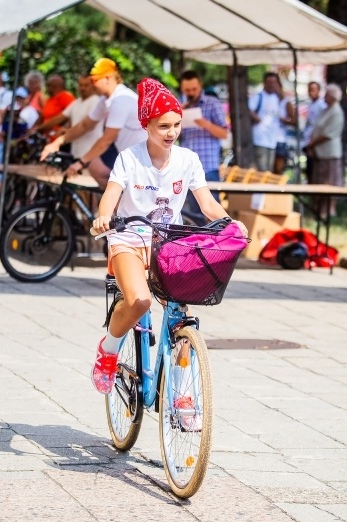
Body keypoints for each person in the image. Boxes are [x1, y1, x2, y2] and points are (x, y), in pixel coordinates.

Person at [89, 78, 248, 395]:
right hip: (128, 241)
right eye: (163, 126)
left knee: (181, 318)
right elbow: (110, 195)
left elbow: (207, 204)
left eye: (176, 124)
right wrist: (103, 217)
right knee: (139, 300)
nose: (171, 132)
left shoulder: (188, 160)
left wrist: (231, 222)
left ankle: (182, 393)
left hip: (167, 244)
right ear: (145, 124)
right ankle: (107, 350)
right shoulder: (130, 158)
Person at [40, 58, 147, 187]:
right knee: (96, 168)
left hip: (142, 155)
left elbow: (107, 139)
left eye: (94, 80)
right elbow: (85, 125)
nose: (92, 85)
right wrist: (58, 142)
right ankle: (116, 204)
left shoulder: (121, 100)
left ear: (108, 78)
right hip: (126, 150)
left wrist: (80, 163)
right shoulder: (105, 99)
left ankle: (121, 204)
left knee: (97, 170)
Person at [178, 70, 228, 215]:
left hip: (208, 167)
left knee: (212, 211)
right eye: (187, 90)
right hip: (186, 167)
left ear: (200, 86)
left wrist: (206, 124)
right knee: (193, 213)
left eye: (194, 89)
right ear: (182, 89)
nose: (191, 93)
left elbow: (224, 133)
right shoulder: (181, 107)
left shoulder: (212, 103)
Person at [30, 74, 101, 159]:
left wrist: (66, 132)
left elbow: (86, 126)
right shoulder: (76, 103)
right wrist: (38, 128)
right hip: (76, 152)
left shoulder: (96, 101)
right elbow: (59, 118)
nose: (82, 88)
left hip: (91, 152)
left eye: (86, 85)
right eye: (80, 85)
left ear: (93, 86)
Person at [304, 83, 345, 218]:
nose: (324, 97)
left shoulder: (336, 112)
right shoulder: (326, 109)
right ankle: (318, 208)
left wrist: (312, 144)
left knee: (329, 182)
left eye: (327, 94)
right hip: (319, 153)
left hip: (329, 153)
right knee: (318, 180)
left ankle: (328, 210)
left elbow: (328, 134)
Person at [248, 72, 283, 172]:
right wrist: (257, 118)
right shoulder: (258, 96)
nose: (272, 85)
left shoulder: (276, 97)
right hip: (260, 138)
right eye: (269, 82)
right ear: (264, 83)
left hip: (272, 139)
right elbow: (249, 110)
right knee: (262, 170)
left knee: (269, 170)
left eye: (274, 82)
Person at [302, 81, 326, 181]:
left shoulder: (321, 105)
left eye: (313, 90)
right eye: (309, 90)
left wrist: (312, 143)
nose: (311, 92)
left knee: (314, 170)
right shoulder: (311, 104)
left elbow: (320, 126)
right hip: (309, 140)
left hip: (314, 141)